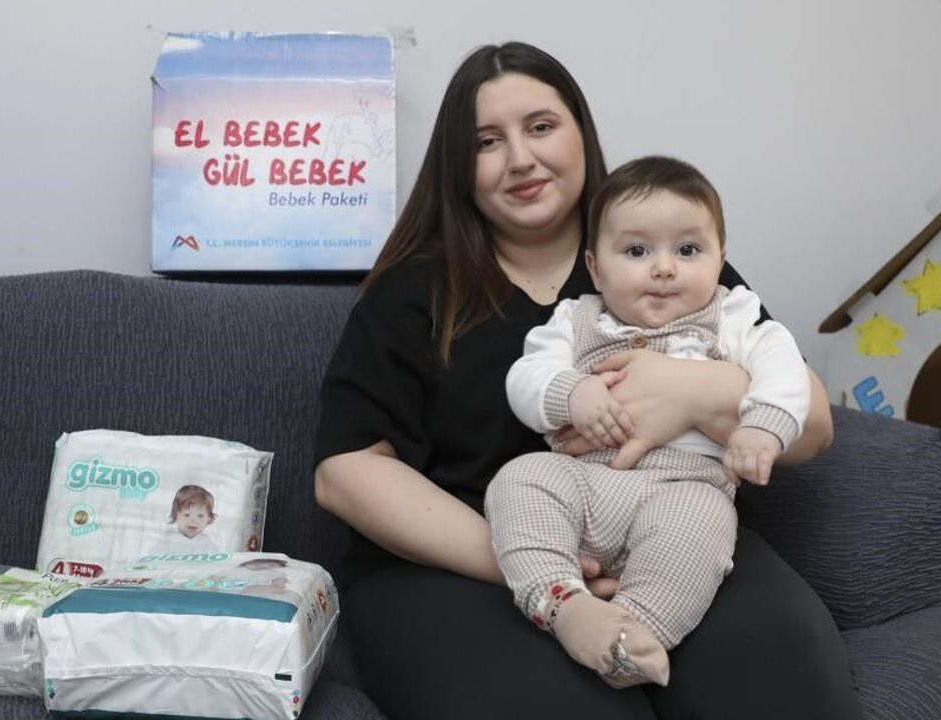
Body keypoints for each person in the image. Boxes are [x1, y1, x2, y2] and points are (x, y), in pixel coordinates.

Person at [314, 41, 864, 719]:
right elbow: (345, 472)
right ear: (458, 163)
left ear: (581, 132)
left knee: (784, 684)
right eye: (487, 141)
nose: (521, 158)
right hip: (461, 561)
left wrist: (690, 392)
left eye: (541, 126)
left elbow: (812, 427)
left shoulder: (667, 259)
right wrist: (529, 562)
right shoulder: (414, 292)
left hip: (675, 522)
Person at [485, 155, 811, 689]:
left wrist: (762, 425)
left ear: (720, 260)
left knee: (701, 534)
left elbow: (784, 367)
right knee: (520, 479)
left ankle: (629, 639)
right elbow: (526, 377)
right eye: (637, 251)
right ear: (595, 268)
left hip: (686, 488)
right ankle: (561, 602)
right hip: (587, 482)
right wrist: (572, 392)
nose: (663, 268)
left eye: (688, 251)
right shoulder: (575, 318)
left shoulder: (732, 316)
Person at [151, 484, 220, 554]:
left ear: (208, 518)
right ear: (175, 515)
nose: (193, 521)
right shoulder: (168, 538)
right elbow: (154, 554)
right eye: (187, 515)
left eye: (200, 516)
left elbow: (215, 558)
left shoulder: (206, 542)